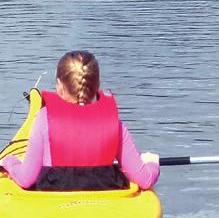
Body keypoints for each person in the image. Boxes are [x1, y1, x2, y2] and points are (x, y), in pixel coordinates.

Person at [0, 50, 159, 190]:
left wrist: (9, 162)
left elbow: (25, 179)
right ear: (98, 85)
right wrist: (152, 163)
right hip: (103, 198)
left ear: (59, 86)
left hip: (53, 200)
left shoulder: (44, 119)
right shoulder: (115, 125)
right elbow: (146, 180)